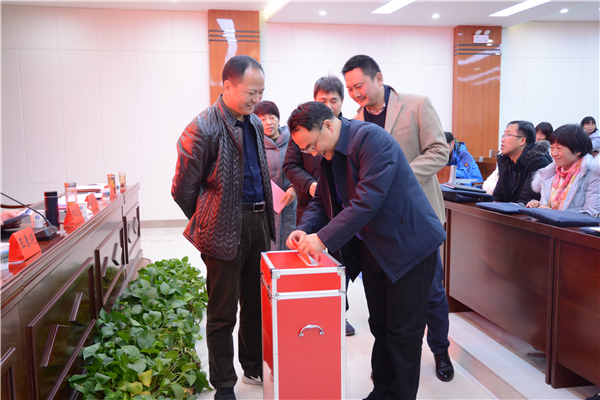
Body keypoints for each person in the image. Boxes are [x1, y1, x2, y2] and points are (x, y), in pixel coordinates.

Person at [286, 101, 446, 400]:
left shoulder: (371, 139)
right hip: (374, 249)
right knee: (380, 326)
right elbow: (322, 199)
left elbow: (367, 200)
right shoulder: (330, 153)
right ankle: (381, 392)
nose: (312, 153)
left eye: (312, 145)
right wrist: (305, 229)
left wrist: (323, 238)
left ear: (328, 125)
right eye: (306, 150)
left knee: (403, 332)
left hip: (408, 247)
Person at [342, 54, 454, 382]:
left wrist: (397, 177)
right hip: (381, 226)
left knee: (431, 291)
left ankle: (441, 349)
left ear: (378, 78)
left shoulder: (416, 105)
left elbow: (439, 151)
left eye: (359, 85)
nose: (356, 94)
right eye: (350, 89)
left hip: (418, 217)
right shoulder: (355, 120)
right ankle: (395, 361)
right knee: (391, 297)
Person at [171, 55, 275, 400]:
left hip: (258, 223)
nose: (256, 99)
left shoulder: (254, 123)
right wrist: (210, 218)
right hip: (223, 228)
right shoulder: (202, 127)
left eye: (261, 93)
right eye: (251, 92)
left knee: (255, 303)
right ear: (227, 85)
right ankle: (224, 383)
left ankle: (252, 366)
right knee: (222, 310)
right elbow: (182, 189)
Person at [283, 75, 357, 336]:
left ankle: (338, 313)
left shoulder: (353, 136)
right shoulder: (301, 131)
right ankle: (314, 312)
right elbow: (290, 165)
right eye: (323, 100)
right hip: (313, 205)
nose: (329, 105)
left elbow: (364, 200)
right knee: (311, 261)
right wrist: (311, 185)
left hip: (344, 212)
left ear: (341, 101)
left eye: (333, 100)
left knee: (340, 263)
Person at [527, 124, 599, 216]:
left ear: (578, 150)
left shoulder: (594, 174)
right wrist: (537, 205)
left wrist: (552, 213)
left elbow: (592, 214)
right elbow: (548, 206)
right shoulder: (550, 173)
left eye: (559, 148)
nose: (554, 153)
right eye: (552, 148)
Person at [254, 100, 297, 251]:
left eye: (272, 117)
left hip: (293, 204)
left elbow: (304, 168)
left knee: (293, 249)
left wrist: (295, 187)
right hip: (267, 208)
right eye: (263, 119)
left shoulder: (293, 141)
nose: (269, 122)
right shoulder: (254, 145)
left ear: (278, 119)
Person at [492, 120, 552, 204]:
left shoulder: (538, 162)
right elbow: (498, 197)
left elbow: (525, 203)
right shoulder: (507, 161)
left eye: (508, 135)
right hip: (509, 210)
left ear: (522, 141)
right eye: (503, 135)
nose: (502, 139)